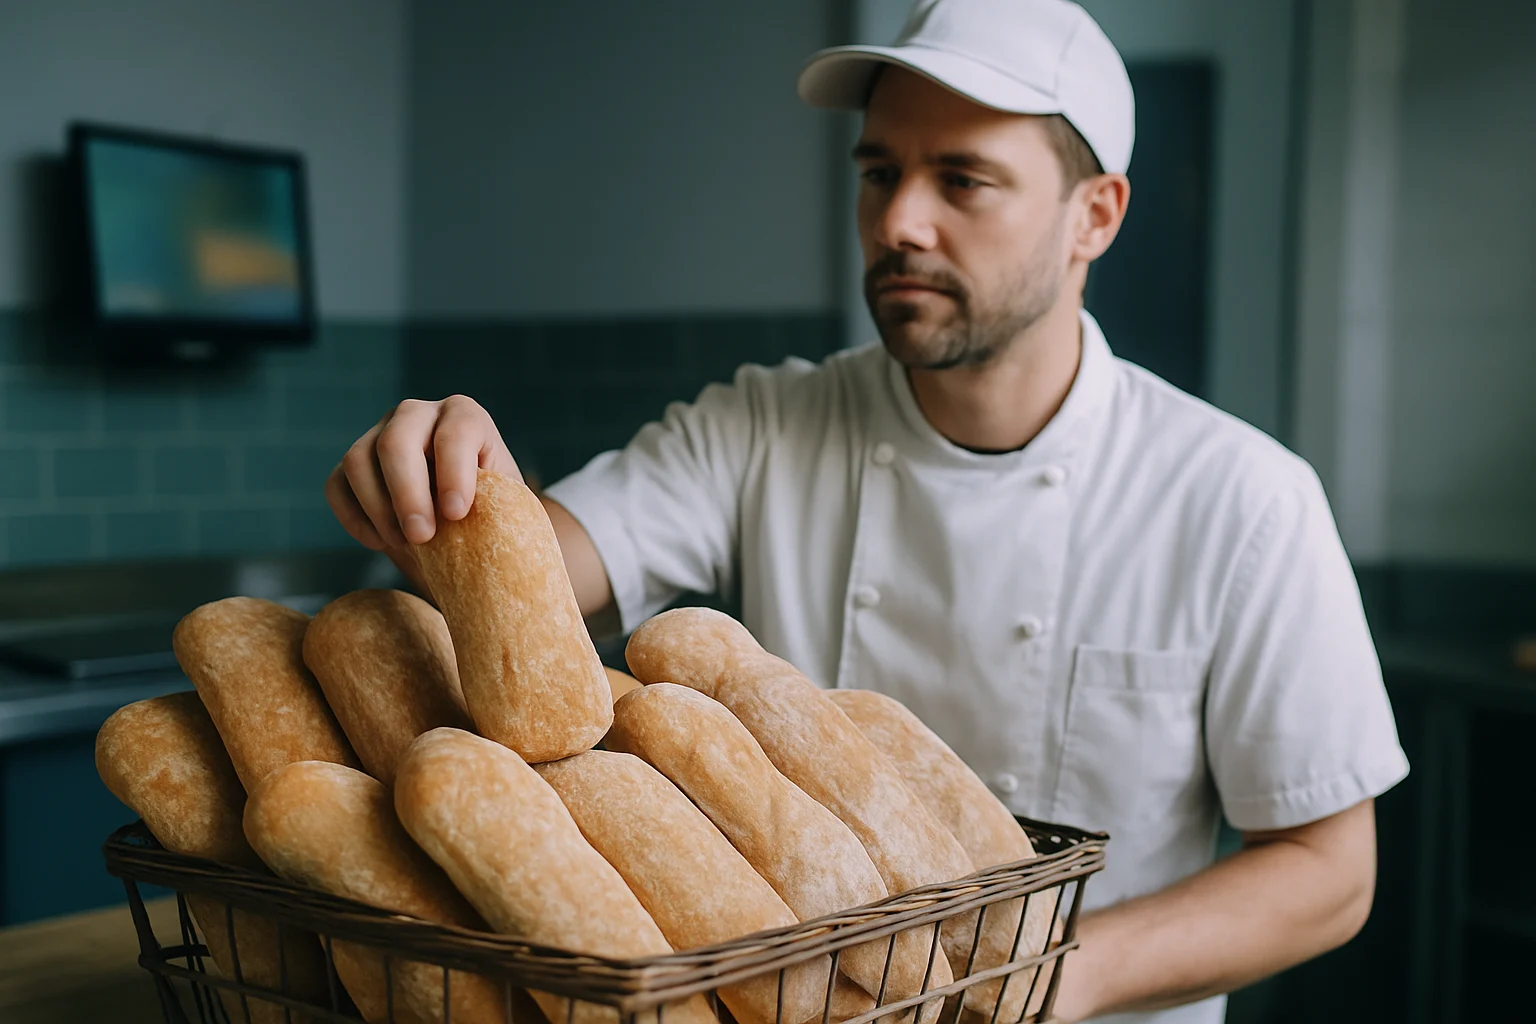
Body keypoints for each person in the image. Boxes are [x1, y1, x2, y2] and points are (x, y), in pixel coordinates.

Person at [327, 1, 1408, 1021]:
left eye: (964, 180)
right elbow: (546, 585)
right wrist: (454, 492)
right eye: (879, 171)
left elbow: (1330, 872)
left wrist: (1050, 979)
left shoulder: (1243, 499)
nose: (899, 221)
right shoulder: (760, 423)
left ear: (1096, 216)